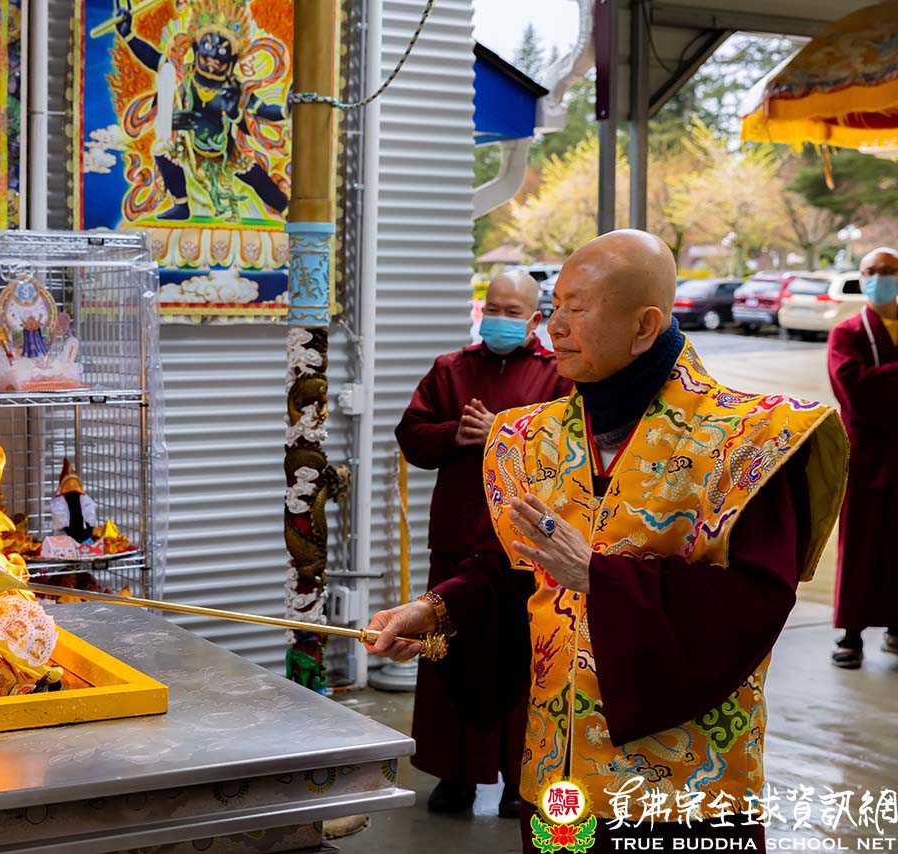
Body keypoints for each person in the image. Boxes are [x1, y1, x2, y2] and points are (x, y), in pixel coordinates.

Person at [368, 230, 847, 849]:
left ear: (645, 326)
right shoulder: (526, 438)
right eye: (555, 306)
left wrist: (597, 577)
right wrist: (437, 609)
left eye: (577, 308)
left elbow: (753, 602)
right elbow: (507, 571)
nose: (555, 326)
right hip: (557, 773)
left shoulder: (747, 442)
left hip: (683, 789)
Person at [395, 270, 570, 818]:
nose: (499, 318)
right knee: (447, 652)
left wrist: (505, 435)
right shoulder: (450, 370)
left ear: (535, 319)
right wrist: (455, 433)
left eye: (512, 312)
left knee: (527, 659)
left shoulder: (558, 376)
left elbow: (569, 449)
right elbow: (411, 437)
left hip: (525, 546)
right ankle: (456, 776)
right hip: (456, 537)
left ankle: (522, 779)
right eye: (492, 308)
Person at [827, 247, 898, 668]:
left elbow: (875, 385)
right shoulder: (848, 332)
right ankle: (850, 633)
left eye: (888, 270)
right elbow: (856, 392)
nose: (878, 278)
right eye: (870, 271)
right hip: (868, 455)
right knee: (860, 544)